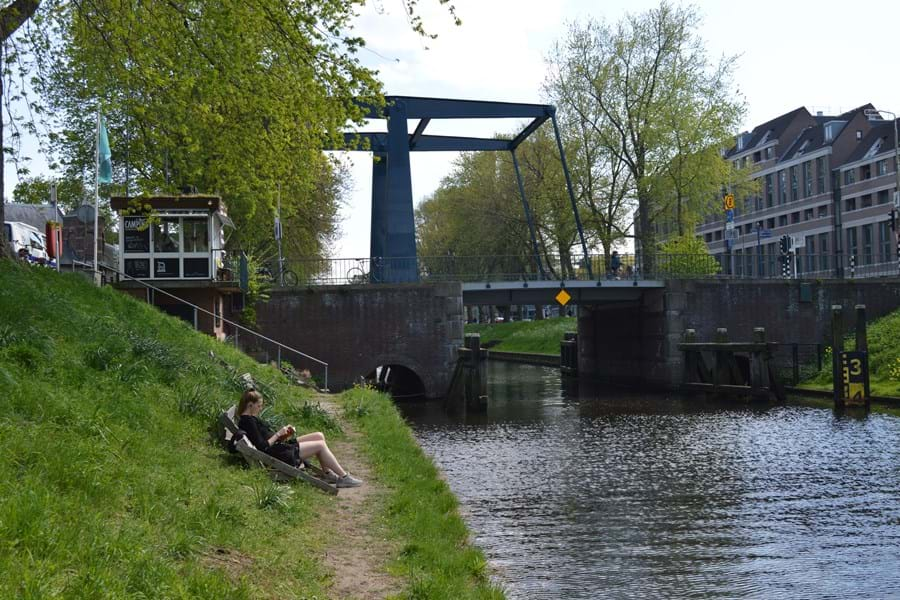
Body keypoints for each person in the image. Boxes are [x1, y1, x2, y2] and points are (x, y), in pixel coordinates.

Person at [237, 389, 362, 488]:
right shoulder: (248, 422)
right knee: (320, 445)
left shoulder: (250, 419)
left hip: (278, 446)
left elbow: (264, 439)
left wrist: (283, 435)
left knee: (319, 435)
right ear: (250, 405)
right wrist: (277, 434)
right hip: (277, 454)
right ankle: (344, 477)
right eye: (259, 406)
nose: (261, 408)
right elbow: (262, 446)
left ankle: (328, 474)